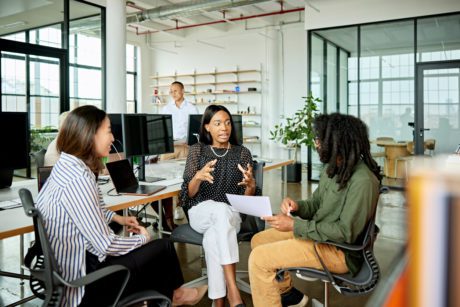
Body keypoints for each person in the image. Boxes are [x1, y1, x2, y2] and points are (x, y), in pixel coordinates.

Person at [36, 105, 207, 307]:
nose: (113, 137)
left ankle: (172, 295)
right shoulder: (78, 180)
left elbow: (91, 208)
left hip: (70, 267)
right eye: (108, 131)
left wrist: (118, 218)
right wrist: (143, 238)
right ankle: (175, 296)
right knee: (162, 246)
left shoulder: (68, 166)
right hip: (83, 284)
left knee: (155, 250)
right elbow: (106, 245)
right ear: (89, 135)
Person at [248, 113, 381, 307]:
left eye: (320, 138)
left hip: (339, 251)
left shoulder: (363, 181)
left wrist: (295, 225)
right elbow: (316, 204)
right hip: (319, 237)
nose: (315, 143)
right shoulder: (334, 167)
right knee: (258, 241)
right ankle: (287, 294)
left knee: (259, 259)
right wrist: (297, 206)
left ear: (337, 141)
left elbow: (345, 233)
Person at [180, 105, 261, 307]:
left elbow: (247, 201)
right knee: (219, 210)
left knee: (213, 237)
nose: (224, 128)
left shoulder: (242, 153)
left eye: (227, 123)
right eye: (217, 123)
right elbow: (187, 194)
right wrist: (197, 177)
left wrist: (251, 186)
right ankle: (233, 291)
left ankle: (219, 301)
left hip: (232, 214)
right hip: (201, 211)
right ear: (207, 127)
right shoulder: (197, 150)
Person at [160, 81, 199, 160]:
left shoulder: (192, 108)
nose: (173, 94)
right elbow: (163, 128)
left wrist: (190, 142)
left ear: (182, 91)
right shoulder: (166, 109)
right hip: (171, 145)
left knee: (183, 169)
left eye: (175, 91)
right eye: (171, 91)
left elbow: (196, 129)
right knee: (163, 165)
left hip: (185, 145)